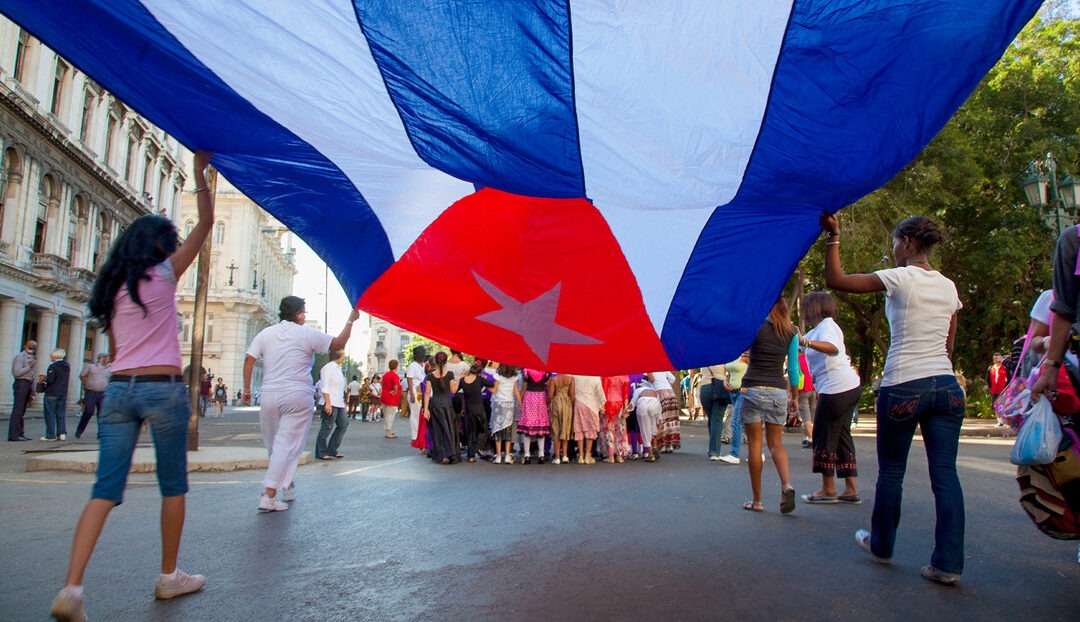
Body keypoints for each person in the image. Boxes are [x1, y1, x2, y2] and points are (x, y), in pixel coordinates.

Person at [49, 151, 214, 622]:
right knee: (172, 484)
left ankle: (72, 588)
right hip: (162, 389)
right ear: (162, 246)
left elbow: (119, 350)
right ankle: (168, 576)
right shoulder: (163, 274)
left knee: (105, 488)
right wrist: (201, 174)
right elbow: (205, 224)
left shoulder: (114, 287)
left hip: (119, 390)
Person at [821, 212, 965, 586]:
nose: (893, 248)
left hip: (904, 384)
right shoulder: (949, 287)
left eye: (895, 241)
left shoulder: (901, 278)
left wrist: (833, 237)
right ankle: (947, 564)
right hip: (947, 388)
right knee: (945, 475)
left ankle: (882, 544)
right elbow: (948, 345)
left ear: (909, 243)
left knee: (892, 472)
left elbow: (836, 280)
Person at [243, 296, 359, 512]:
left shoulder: (266, 333)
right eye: (304, 312)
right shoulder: (306, 333)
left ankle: (287, 484)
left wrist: (247, 390)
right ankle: (269, 495)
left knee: (274, 445)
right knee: (287, 445)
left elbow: (249, 358)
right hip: (296, 394)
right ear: (297, 313)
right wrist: (351, 321)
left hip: (269, 393)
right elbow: (338, 344)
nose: (305, 315)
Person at [797, 292, 863, 505]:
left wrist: (805, 341)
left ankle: (828, 489)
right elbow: (801, 346)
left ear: (814, 308)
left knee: (824, 434)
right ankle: (851, 489)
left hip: (836, 388)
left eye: (805, 307)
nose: (802, 312)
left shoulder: (827, 325)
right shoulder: (818, 330)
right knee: (842, 435)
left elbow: (832, 348)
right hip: (845, 387)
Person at [424, 351, 460, 464]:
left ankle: (442, 455)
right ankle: (451, 454)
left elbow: (427, 392)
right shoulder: (449, 374)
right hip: (447, 404)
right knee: (449, 428)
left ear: (434, 361)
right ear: (445, 362)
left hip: (435, 404)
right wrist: (459, 380)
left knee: (438, 430)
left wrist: (426, 409)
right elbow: (453, 390)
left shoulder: (430, 376)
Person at [316, 348, 350, 461]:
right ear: (337, 355)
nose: (344, 356)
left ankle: (332, 448)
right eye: (343, 354)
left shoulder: (338, 369)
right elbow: (325, 387)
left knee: (343, 424)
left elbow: (339, 388)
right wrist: (328, 403)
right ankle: (321, 451)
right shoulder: (328, 369)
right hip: (329, 402)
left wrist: (343, 403)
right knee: (327, 427)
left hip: (338, 402)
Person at [459, 359, 496, 462]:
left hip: (468, 409)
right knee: (482, 430)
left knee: (470, 432)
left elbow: (462, 395)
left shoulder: (463, 381)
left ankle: (471, 455)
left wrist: (462, 408)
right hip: (479, 409)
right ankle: (477, 448)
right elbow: (492, 385)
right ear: (479, 372)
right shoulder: (480, 379)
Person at [515, 369, 551, 464]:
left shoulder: (526, 371)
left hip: (529, 397)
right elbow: (547, 386)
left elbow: (524, 388)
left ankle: (527, 455)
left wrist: (521, 402)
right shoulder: (546, 372)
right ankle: (541, 455)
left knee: (528, 428)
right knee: (541, 428)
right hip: (540, 398)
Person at [697, 364, 730, 462]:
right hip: (721, 386)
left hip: (705, 387)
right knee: (717, 419)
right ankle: (714, 451)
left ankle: (713, 447)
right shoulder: (723, 356)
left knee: (711, 418)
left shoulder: (704, 356)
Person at [75, 354, 110, 439]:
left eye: (107, 359)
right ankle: (79, 430)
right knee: (89, 411)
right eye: (105, 359)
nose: (106, 360)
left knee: (102, 413)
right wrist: (86, 384)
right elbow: (82, 375)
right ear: (99, 359)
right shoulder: (90, 366)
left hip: (103, 393)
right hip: (91, 392)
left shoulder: (109, 368)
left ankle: (101, 433)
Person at [490, 364, 519, 464]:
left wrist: (485, 384)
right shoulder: (515, 376)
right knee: (508, 430)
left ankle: (498, 456)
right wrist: (521, 404)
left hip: (498, 403)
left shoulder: (498, 375)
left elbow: (494, 390)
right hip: (509, 404)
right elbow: (516, 392)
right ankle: (507, 455)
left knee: (497, 429)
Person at [8, 339, 36, 441]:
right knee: (18, 410)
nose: (32, 349)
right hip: (21, 383)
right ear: (25, 346)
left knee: (22, 411)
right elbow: (16, 373)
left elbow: (32, 375)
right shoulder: (20, 357)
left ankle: (20, 433)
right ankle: (13, 435)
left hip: (28, 384)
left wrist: (33, 389)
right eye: (30, 346)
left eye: (33, 347)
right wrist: (29, 366)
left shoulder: (32, 358)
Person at [572, 374, 604, 464]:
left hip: (579, 403)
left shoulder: (575, 376)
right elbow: (599, 392)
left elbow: (572, 390)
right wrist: (601, 405)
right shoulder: (595, 377)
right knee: (590, 429)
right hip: (591, 404)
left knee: (579, 429)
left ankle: (581, 456)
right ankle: (587, 455)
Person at [42, 349, 71, 441]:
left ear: (54, 357)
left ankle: (50, 435)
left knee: (50, 414)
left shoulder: (53, 366)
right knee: (61, 414)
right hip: (63, 392)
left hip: (52, 392)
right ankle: (62, 433)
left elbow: (50, 380)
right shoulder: (67, 366)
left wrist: (44, 379)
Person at [600, 374, 631, 463]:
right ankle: (619, 456)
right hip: (620, 404)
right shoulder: (625, 376)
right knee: (620, 430)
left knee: (609, 430)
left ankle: (610, 456)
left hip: (609, 404)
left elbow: (604, 392)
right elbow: (626, 395)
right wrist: (626, 409)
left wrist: (602, 406)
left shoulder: (606, 376)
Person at [631, 376, 661, 462]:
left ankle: (651, 454)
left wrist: (626, 411)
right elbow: (659, 411)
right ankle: (654, 446)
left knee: (645, 430)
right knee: (653, 427)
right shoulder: (654, 390)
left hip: (643, 403)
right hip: (654, 402)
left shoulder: (637, 390)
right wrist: (659, 428)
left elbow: (632, 403)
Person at [547, 373, 575, 464]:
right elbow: (572, 394)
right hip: (567, 403)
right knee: (565, 429)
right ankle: (565, 456)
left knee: (556, 430)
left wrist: (547, 403)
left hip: (556, 402)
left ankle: (557, 457)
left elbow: (550, 395)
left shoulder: (553, 379)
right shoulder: (570, 378)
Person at [651, 370, 681, 453]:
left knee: (662, 418)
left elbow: (650, 380)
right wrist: (668, 385)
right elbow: (673, 378)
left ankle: (662, 444)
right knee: (671, 419)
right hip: (670, 392)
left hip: (659, 392)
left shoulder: (649, 369)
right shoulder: (662, 368)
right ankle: (671, 444)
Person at [405, 346, 427, 444]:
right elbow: (409, 379)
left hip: (421, 393)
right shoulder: (413, 365)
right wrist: (412, 394)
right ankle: (414, 436)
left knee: (420, 414)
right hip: (414, 391)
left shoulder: (423, 366)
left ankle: (420, 435)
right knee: (415, 414)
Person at [796, 351, 816, 448]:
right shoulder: (810, 358)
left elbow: (794, 375)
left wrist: (791, 393)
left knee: (805, 417)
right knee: (812, 416)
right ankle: (806, 437)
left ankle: (812, 439)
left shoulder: (796, 360)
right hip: (813, 388)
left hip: (802, 389)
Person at [380, 361, 401, 438]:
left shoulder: (385, 375)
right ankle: (388, 431)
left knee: (386, 414)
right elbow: (396, 384)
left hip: (384, 395)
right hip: (391, 397)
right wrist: (395, 391)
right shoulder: (395, 375)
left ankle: (387, 431)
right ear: (396, 366)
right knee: (390, 414)